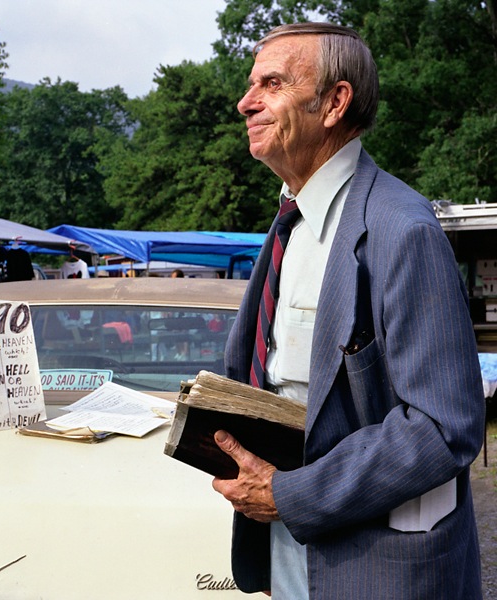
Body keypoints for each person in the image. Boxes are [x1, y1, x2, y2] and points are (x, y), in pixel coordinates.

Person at [212, 22, 485, 599]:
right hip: (286, 547)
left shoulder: (401, 227)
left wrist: (293, 496)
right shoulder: (291, 219)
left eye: (272, 83)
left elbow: (444, 426)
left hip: (377, 567)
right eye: (250, 83)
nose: (245, 102)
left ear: (335, 102)